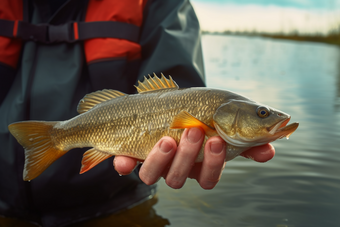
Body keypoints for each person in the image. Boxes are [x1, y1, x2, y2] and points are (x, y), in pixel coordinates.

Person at [0, 0, 275, 226]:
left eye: (261, 113)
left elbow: (180, 84)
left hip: (112, 201)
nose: (268, 117)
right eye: (262, 113)